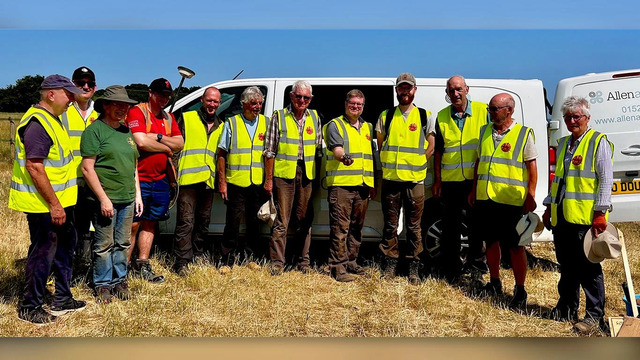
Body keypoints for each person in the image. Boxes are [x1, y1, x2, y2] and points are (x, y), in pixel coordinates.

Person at [9, 75, 86, 324]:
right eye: (68, 94)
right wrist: (54, 204)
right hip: (44, 205)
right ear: (51, 94)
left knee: (65, 247)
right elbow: (35, 167)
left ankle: (62, 297)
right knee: (43, 252)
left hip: (61, 203)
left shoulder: (55, 119)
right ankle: (30, 306)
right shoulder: (38, 123)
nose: (72, 99)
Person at [542, 96, 613, 334]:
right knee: (567, 265)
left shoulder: (597, 141)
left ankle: (594, 316)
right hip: (563, 216)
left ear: (587, 118)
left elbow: (605, 180)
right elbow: (558, 181)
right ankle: (566, 308)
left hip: (586, 219)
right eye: (568, 117)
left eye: (577, 117)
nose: (572, 121)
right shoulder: (563, 144)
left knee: (589, 269)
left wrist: (600, 213)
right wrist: (548, 207)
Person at [469, 93, 537, 308]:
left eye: (494, 109)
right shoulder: (484, 131)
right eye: (490, 108)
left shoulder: (523, 134)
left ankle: (520, 289)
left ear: (509, 110)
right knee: (490, 241)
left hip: (511, 201)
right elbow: (479, 162)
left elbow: (531, 166)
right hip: (486, 197)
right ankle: (494, 281)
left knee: (516, 247)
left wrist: (531, 195)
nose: (490, 112)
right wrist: (473, 189)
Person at [81, 85, 142, 303]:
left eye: (125, 105)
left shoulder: (126, 131)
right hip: (105, 199)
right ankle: (102, 283)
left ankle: (120, 280)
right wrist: (103, 198)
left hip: (127, 198)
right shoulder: (94, 131)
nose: (122, 109)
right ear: (105, 106)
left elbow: (133, 165)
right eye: (116, 104)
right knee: (103, 244)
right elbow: (87, 168)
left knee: (123, 243)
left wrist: (138, 195)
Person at [376, 73, 435, 284]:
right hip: (391, 179)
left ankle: (414, 266)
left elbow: (431, 145)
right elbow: (381, 144)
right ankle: (390, 263)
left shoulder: (424, 115)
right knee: (390, 225)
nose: (405, 91)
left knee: (414, 226)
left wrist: (419, 163)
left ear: (414, 90)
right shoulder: (386, 115)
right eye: (401, 88)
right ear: (397, 90)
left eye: (408, 88)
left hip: (415, 181)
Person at [125, 78, 184, 283]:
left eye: (167, 96)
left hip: (160, 179)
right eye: (160, 94)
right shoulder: (137, 112)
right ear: (150, 93)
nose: (164, 99)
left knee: (150, 223)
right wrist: (166, 147)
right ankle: (123, 267)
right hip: (138, 179)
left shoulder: (168, 117)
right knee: (133, 224)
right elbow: (140, 141)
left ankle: (142, 263)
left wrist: (157, 138)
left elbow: (180, 143)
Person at [432, 75, 489, 282]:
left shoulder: (484, 111)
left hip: (476, 180)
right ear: (447, 93)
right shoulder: (442, 116)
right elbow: (438, 151)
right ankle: (451, 268)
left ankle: (477, 267)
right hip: (451, 180)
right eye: (451, 90)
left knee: (477, 226)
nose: (455, 94)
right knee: (450, 227)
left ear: (466, 89)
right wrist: (437, 181)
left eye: (458, 89)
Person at [263, 80, 322, 275]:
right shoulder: (278, 117)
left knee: (304, 220)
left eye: (306, 97)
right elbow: (269, 151)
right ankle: (277, 263)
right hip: (284, 174)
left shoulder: (314, 117)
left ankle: (303, 262)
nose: (302, 100)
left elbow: (319, 150)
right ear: (291, 96)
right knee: (282, 220)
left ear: (311, 99)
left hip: (307, 174)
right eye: (298, 96)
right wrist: (269, 180)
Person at [323, 89, 376, 282]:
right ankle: (337, 268)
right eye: (352, 103)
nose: (356, 107)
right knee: (340, 228)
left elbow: (371, 157)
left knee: (356, 228)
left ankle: (352, 263)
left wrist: (372, 183)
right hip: (342, 185)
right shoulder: (334, 125)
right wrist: (344, 157)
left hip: (362, 185)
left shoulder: (368, 127)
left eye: (359, 104)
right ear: (346, 104)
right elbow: (337, 149)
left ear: (363, 106)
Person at [172, 87, 224, 276]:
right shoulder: (187, 118)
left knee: (203, 221)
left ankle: (197, 254)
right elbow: (176, 148)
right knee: (186, 221)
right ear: (202, 100)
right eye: (209, 100)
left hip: (208, 181)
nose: (212, 105)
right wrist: (173, 175)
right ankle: (182, 261)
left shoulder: (221, 125)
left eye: (216, 102)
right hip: (187, 179)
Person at [217, 86, 270, 266]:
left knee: (255, 223)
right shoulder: (231, 123)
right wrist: (222, 182)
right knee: (232, 223)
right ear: (244, 104)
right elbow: (222, 155)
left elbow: (270, 154)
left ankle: (252, 258)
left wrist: (269, 180)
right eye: (253, 103)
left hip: (257, 182)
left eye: (260, 103)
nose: (257, 107)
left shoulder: (267, 123)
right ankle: (226, 260)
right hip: (236, 182)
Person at [62, 66, 99, 277]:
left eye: (89, 83)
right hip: (67, 180)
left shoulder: (99, 113)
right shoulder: (63, 110)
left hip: (91, 181)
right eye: (80, 83)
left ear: (95, 87)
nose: (85, 87)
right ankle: (64, 269)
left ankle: (81, 267)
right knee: (66, 228)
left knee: (87, 227)